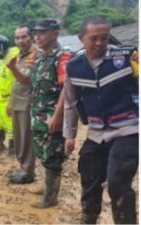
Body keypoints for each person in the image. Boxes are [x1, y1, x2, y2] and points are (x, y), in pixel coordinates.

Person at [64, 16, 138, 224]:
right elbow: (71, 102)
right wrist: (69, 135)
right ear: (81, 39)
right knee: (88, 175)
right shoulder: (74, 67)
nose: (99, 43)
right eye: (93, 38)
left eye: (104, 38)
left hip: (128, 129)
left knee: (117, 181)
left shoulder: (126, 57)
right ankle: (89, 217)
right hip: (96, 133)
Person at [29, 19, 71, 208]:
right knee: (42, 151)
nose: (37, 37)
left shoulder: (62, 56)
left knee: (53, 154)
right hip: (39, 115)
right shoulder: (41, 57)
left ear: (55, 34)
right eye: (36, 33)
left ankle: (50, 197)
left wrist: (58, 115)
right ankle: (46, 186)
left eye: (42, 33)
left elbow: (67, 87)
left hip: (52, 115)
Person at [5, 25, 37, 184]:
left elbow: (25, 78)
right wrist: (10, 102)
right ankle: (22, 167)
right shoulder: (19, 55)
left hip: (27, 102)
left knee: (26, 138)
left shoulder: (34, 54)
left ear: (31, 37)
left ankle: (27, 172)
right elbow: (15, 83)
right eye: (17, 38)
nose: (20, 40)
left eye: (23, 37)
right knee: (19, 138)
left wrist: (12, 68)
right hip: (17, 101)